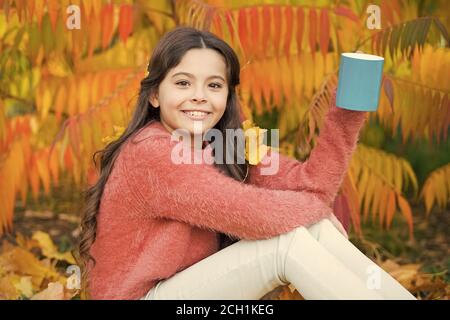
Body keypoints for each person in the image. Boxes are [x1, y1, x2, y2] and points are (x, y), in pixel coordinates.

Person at [77, 26, 416, 300]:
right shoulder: (151, 152)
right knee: (288, 244)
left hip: (187, 291)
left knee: (314, 227)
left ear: (227, 97)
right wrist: (315, 208)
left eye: (214, 85)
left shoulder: (225, 145)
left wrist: (349, 111)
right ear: (154, 95)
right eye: (182, 83)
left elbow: (314, 186)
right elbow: (253, 214)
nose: (199, 95)